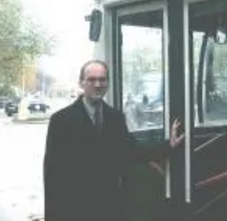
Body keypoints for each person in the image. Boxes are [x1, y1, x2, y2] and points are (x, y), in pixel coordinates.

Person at [43, 60, 184, 221]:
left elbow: (133, 151)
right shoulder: (61, 121)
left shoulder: (115, 118)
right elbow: (52, 174)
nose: (98, 84)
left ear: (108, 83)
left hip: (109, 207)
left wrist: (168, 145)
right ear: (81, 83)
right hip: (75, 209)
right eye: (91, 79)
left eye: (103, 79)